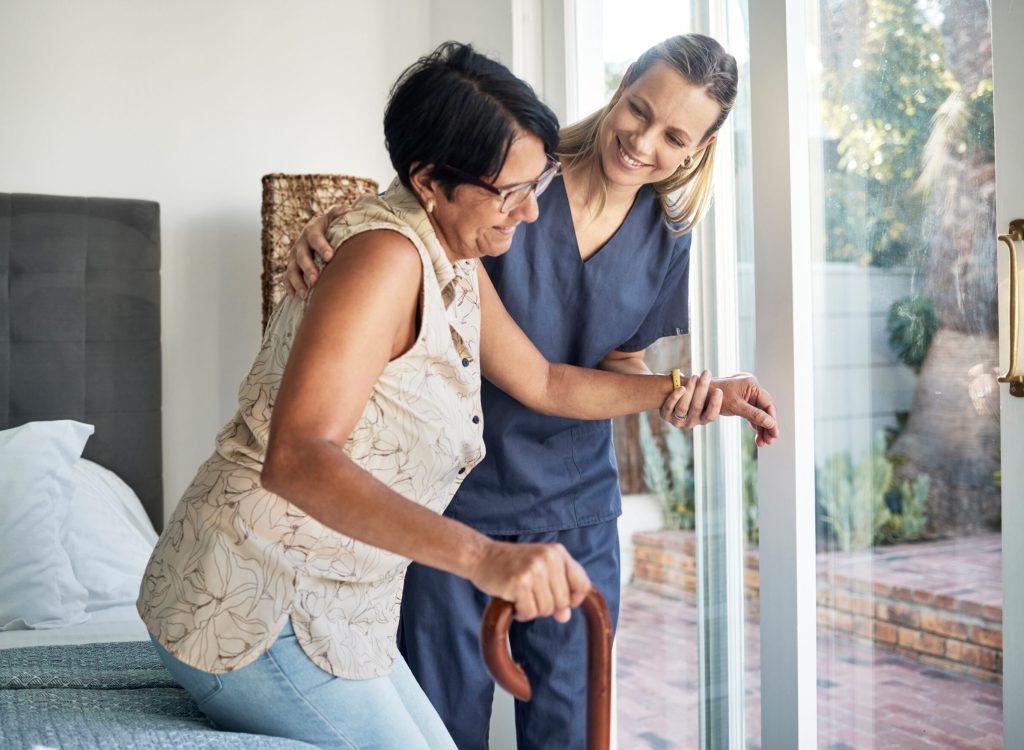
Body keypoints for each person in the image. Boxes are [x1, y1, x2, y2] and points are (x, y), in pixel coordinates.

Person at [137, 42, 773, 750]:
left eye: (534, 188)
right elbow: (297, 455)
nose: (532, 212)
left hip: (362, 590)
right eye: (514, 193)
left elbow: (543, 381)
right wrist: (482, 556)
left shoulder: (463, 256)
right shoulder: (393, 250)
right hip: (265, 593)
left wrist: (688, 390)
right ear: (433, 183)